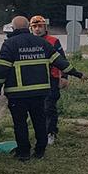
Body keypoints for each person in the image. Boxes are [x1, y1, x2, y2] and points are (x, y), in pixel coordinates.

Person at [0, 16, 84, 161]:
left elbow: (1, 68)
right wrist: (77, 73)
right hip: (39, 92)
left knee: (20, 124)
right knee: (40, 121)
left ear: (13, 28)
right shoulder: (42, 43)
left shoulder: (10, 44)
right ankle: (40, 151)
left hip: (17, 93)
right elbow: (60, 61)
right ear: (28, 27)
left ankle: (24, 153)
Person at [30, 15, 70, 145]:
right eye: (34, 26)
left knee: (49, 107)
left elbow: (62, 61)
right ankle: (40, 132)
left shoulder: (53, 41)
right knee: (37, 108)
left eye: (40, 26)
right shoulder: (28, 41)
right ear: (30, 28)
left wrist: (64, 77)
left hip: (51, 78)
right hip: (34, 79)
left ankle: (51, 132)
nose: (37, 29)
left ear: (45, 27)